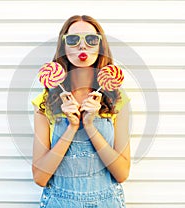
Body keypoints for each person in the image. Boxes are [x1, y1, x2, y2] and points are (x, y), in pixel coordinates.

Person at [31, 15, 130, 208]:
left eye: (91, 40)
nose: (82, 46)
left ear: (100, 46)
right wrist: (72, 127)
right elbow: (40, 177)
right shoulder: (45, 102)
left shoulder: (117, 100)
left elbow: (122, 173)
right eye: (73, 39)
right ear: (63, 46)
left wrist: (90, 126)